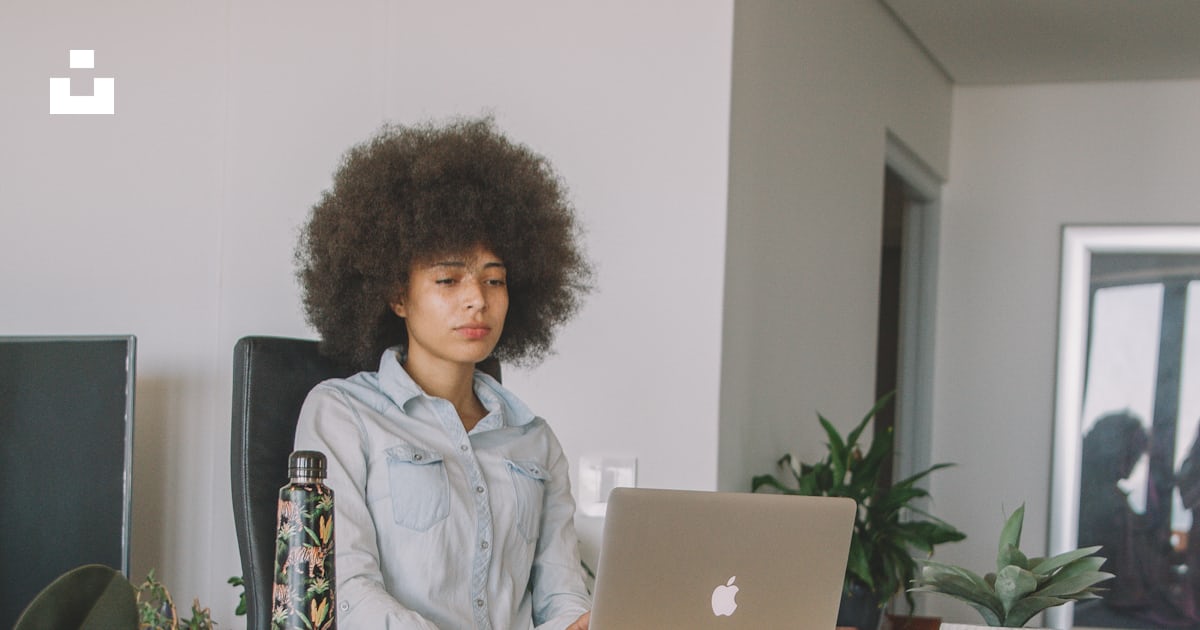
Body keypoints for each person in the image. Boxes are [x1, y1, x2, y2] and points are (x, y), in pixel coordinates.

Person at [292, 117, 594, 629]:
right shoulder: (342, 414)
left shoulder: (536, 443)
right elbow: (346, 591)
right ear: (397, 295)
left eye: (493, 280)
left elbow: (562, 595)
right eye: (449, 279)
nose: (477, 299)